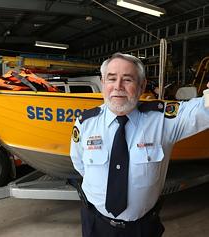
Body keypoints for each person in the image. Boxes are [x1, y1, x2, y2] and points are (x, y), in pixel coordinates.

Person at [70, 52, 209, 237]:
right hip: (96, 224)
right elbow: (80, 164)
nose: (117, 87)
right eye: (111, 79)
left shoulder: (162, 121)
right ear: (103, 83)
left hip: (142, 228)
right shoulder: (85, 123)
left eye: (127, 80)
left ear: (142, 85)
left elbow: (202, 110)